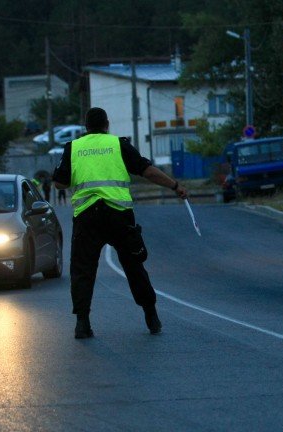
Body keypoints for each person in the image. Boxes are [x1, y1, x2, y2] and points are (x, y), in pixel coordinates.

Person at [52, 107, 188, 339]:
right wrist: (175, 186)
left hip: (87, 217)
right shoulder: (119, 144)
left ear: (86, 127)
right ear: (107, 124)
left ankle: (82, 323)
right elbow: (148, 171)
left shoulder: (73, 148)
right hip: (119, 216)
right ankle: (151, 316)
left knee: (82, 269)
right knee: (134, 266)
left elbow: (59, 184)